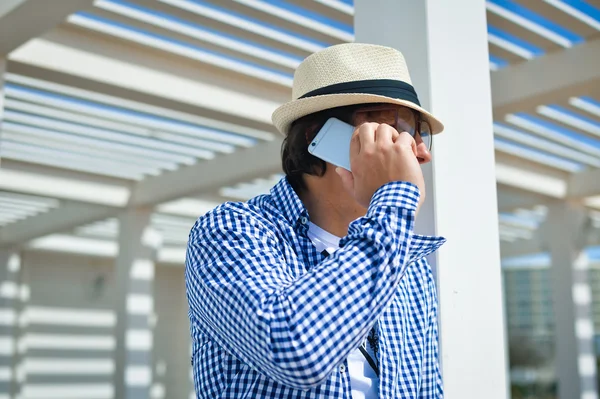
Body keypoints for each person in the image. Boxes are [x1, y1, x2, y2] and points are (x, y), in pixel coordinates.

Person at [185, 43, 446, 399]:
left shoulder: (408, 267)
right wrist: (395, 199)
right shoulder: (230, 232)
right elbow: (296, 351)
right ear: (319, 136)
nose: (418, 150)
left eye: (419, 131)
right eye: (395, 127)